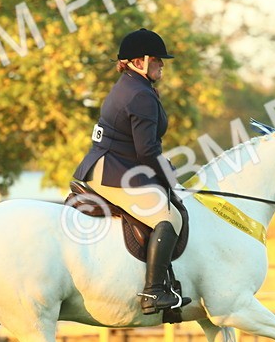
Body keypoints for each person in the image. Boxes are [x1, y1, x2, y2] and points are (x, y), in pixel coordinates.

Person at [74, 28, 191, 314]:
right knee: (169, 217)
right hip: (113, 171)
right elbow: (147, 151)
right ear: (139, 62)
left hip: (116, 164)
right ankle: (153, 292)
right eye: (157, 60)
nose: (162, 64)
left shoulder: (132, 86)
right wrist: (168, 177)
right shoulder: (140, 95)